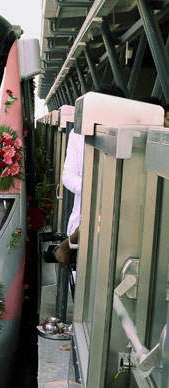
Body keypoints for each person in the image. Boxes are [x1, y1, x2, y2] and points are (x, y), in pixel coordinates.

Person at [57, 84, 126, 267]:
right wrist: (92, 187)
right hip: (80, 224)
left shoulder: (125, 138)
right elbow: (67, 175)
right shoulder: (77, 133)